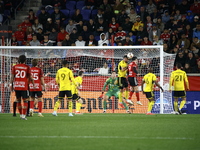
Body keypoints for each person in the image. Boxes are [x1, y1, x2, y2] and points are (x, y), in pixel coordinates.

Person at [10, 55, 35, 120]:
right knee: (26, 101)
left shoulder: (15, 67)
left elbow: (12, 77)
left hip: (17, 86)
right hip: (24, 86)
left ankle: (21, 115)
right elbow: (30, 77)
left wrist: (11, 85)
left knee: (18, 100)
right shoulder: (27, 67)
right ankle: (23, 115)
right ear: (25, 60)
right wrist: (33, 83)